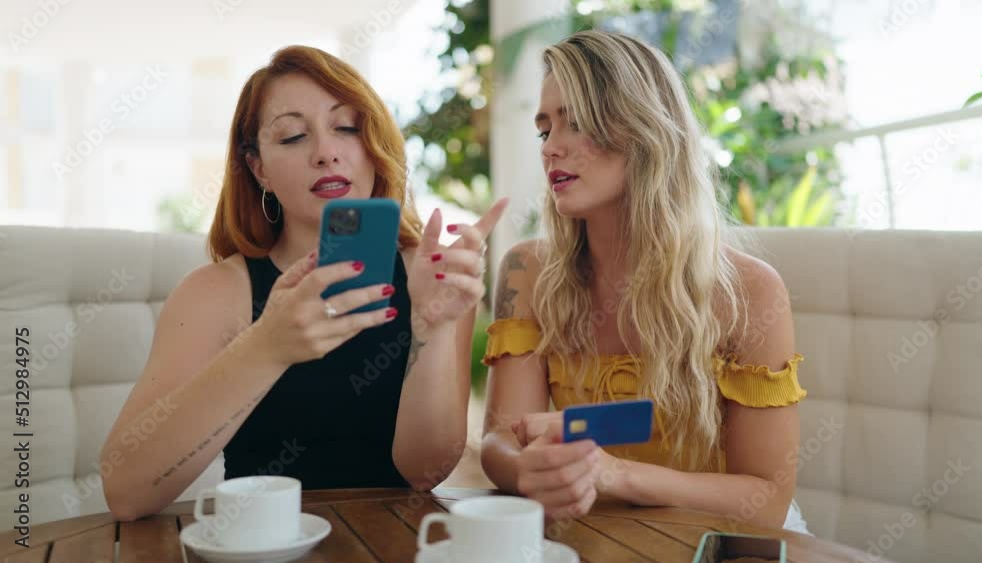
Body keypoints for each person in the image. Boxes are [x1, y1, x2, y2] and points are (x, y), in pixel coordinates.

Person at [101, 45, 507, 521]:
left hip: (395, 543)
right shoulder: (215, 292)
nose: (326, 152)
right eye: (293, 136)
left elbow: (426, 472)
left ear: (374, 146)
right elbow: (126, 491)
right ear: (259, 169)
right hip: (259, 543)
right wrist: (268, 345)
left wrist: (433, 327)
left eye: (347, 127)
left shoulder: (433, 277)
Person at [479, 31, 810, 534]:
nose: (552, 149)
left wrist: (614, 474)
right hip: (591, 534)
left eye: (577, 122)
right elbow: (500, 442)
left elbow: (766, 501)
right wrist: (527, 469)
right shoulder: (527, 271)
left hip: (715, 542)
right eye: (545, 131)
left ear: (645, 131)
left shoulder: (748, 291)